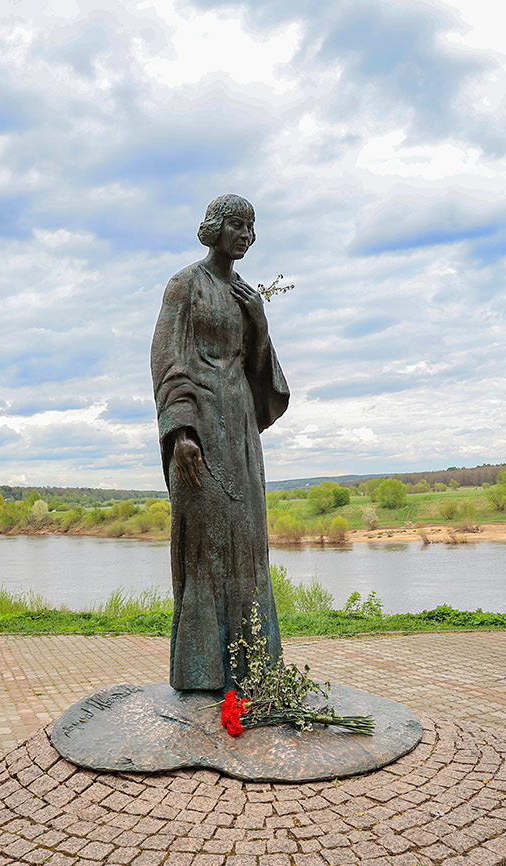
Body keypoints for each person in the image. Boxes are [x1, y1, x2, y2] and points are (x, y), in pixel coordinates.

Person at [151, 194, 289, 692]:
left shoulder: (247, 295)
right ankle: (201, 670)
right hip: (201, 431)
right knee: (206, 544)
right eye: (237, 225)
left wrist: (260, 322)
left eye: (252, 227)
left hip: (241, 430)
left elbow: (259, 373)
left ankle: (254, 668)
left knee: (247, 543)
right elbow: (167, 358)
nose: (246, 236)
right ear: (215, 227)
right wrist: (181, 432)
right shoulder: (184, 284)